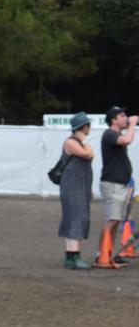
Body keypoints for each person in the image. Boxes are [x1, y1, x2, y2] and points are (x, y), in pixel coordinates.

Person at [96, 106, 136, 266]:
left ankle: (109, 252)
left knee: (116, 220)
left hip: (119, 184)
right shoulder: (110, 134)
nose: (126, 117)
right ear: (113, 120)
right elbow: (127, 140)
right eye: (122, 115)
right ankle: (101, 254)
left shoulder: (115, 134)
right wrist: (133, 124)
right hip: (112, 184)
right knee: (112, 219)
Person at [58, 112, 94, 270]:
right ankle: (74, 257)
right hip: (72, 186)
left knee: (76, 218)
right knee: (76, 219)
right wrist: (85, 140)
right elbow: (88, 154)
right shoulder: (71, 142)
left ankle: (71, 258)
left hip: (80, 185)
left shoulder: (77, 142)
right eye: (88, 125)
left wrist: (89, 187)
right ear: (82, 127)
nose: (90, 128)